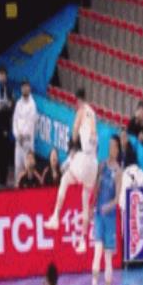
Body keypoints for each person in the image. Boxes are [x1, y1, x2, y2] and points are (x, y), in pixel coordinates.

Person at [45, 88, 99, 254]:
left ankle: (56, 216)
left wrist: (71, 154)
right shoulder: (93, 113)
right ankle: (82, 241)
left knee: (65, 179)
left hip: (84, 159)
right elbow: (93, 139)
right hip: (93, 163)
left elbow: (74, 136)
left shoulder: (81, 111)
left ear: (77, 101)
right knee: (85, 201)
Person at [90, 136, 121, 285]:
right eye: (110, 146)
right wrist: (92, 206)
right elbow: (96, 188)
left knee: (108, 257)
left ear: (118, 150)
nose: (111, 149)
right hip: (99, 216)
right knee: (97, 251)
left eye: (114, 147)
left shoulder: (118, 172)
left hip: (109, 217)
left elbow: (117, 199)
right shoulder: (102, 166)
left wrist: (108, 206)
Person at [12, 79, 37, 185]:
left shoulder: (32, 104)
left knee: (28, 169)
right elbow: (15, 121)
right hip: (18, 142)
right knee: (18, 168)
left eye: (26, 86)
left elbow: (30, 123)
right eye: (23, 87)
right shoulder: (18, 103)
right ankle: (17, 189)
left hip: (27, 143)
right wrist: (17, 135)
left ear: (29, 88)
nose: (24, 89)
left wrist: (23, 135)